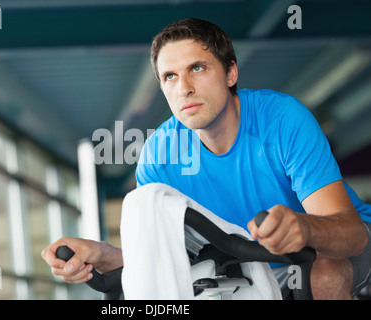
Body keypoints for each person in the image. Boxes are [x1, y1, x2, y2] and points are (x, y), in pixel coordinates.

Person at [42, 18, 371, 299]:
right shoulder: (159, 154)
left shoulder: (282, 119)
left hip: (338, 250)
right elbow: (158, 258)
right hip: (247, 270)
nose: (183, 87)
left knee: (326, 268)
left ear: (230, 73)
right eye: (169, 76)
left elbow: (351, 234)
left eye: (197, 68)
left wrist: (305, 227)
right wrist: (100, 254)